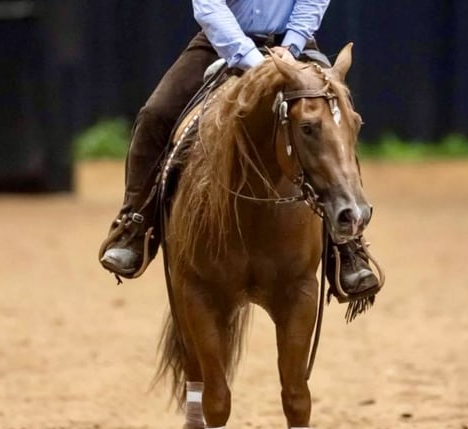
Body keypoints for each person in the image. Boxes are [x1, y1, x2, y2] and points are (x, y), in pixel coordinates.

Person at [99, 0, 378, 298]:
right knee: (155, 116)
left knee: (334, 121)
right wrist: (252, 60)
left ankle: (348, 246)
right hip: (221, 41)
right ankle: (135, 225)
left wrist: (292, 44)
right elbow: (209, 5)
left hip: (291, 44)